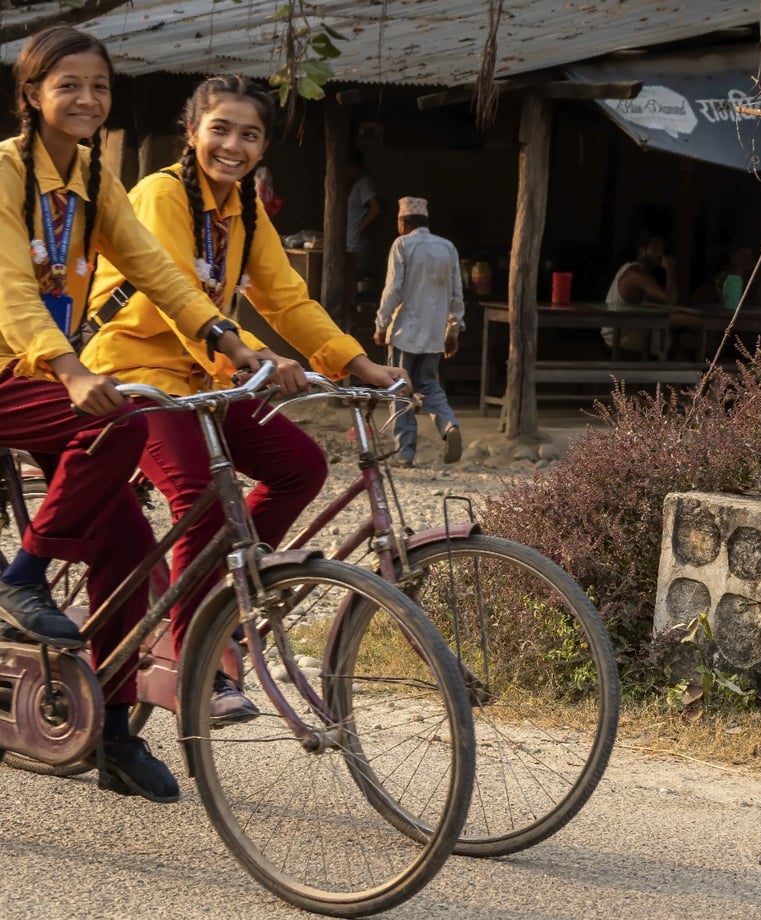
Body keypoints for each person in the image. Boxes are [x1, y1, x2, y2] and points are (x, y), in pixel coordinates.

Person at [83, 74, 409, 724]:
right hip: (136, 377)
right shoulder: (161, 194)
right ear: (193, 131)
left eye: (249, 134)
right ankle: (193, 655)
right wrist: (245, 354)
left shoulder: (246, 208)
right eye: (221, 129)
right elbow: (178, 291)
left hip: (206, 380)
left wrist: (355, 361)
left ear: (265, 145)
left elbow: (285, 297)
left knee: (301, 466)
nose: (234, 145)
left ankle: (222, 602)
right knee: (198, 492)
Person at [0, 26, 268, 803]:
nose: (87, 99)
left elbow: (157, 269)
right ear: (33, 95)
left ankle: (113, 734)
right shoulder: (9, 172)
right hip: (23, 368)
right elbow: (13, 289)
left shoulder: (92, 175)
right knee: (120, 424)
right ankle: (25, 577)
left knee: (130, 550)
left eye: (100, 87)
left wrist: (223, 335)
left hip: (49, 377)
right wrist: (70, 365)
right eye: (69, 85)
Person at [374, 197, 464, 467]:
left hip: (405, 333)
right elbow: (456, 293)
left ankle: (405, 453)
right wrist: (454, 329)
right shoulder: (448, 247)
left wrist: (381, 323)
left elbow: (393, 289)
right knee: (428, 386)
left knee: (400, 389)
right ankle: (448, 426)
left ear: (405, 222)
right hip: (434, 333)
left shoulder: (402, 245)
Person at [602, 232, 677, 358]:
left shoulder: (637, 270)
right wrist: (670, 269)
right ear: (642, 249)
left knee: (673, 337)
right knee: (672, 343)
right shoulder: (635, 273)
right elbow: (670, 299)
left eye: (662, 248)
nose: (660, 254)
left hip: (623, 332)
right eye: (656, 248)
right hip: (620, 336)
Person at [346, 147, 381, 295]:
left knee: (356, 286)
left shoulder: (363, 183)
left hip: (357, 245)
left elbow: (376, 208)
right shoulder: (357, 185)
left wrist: (361, 229)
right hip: (353, 243)